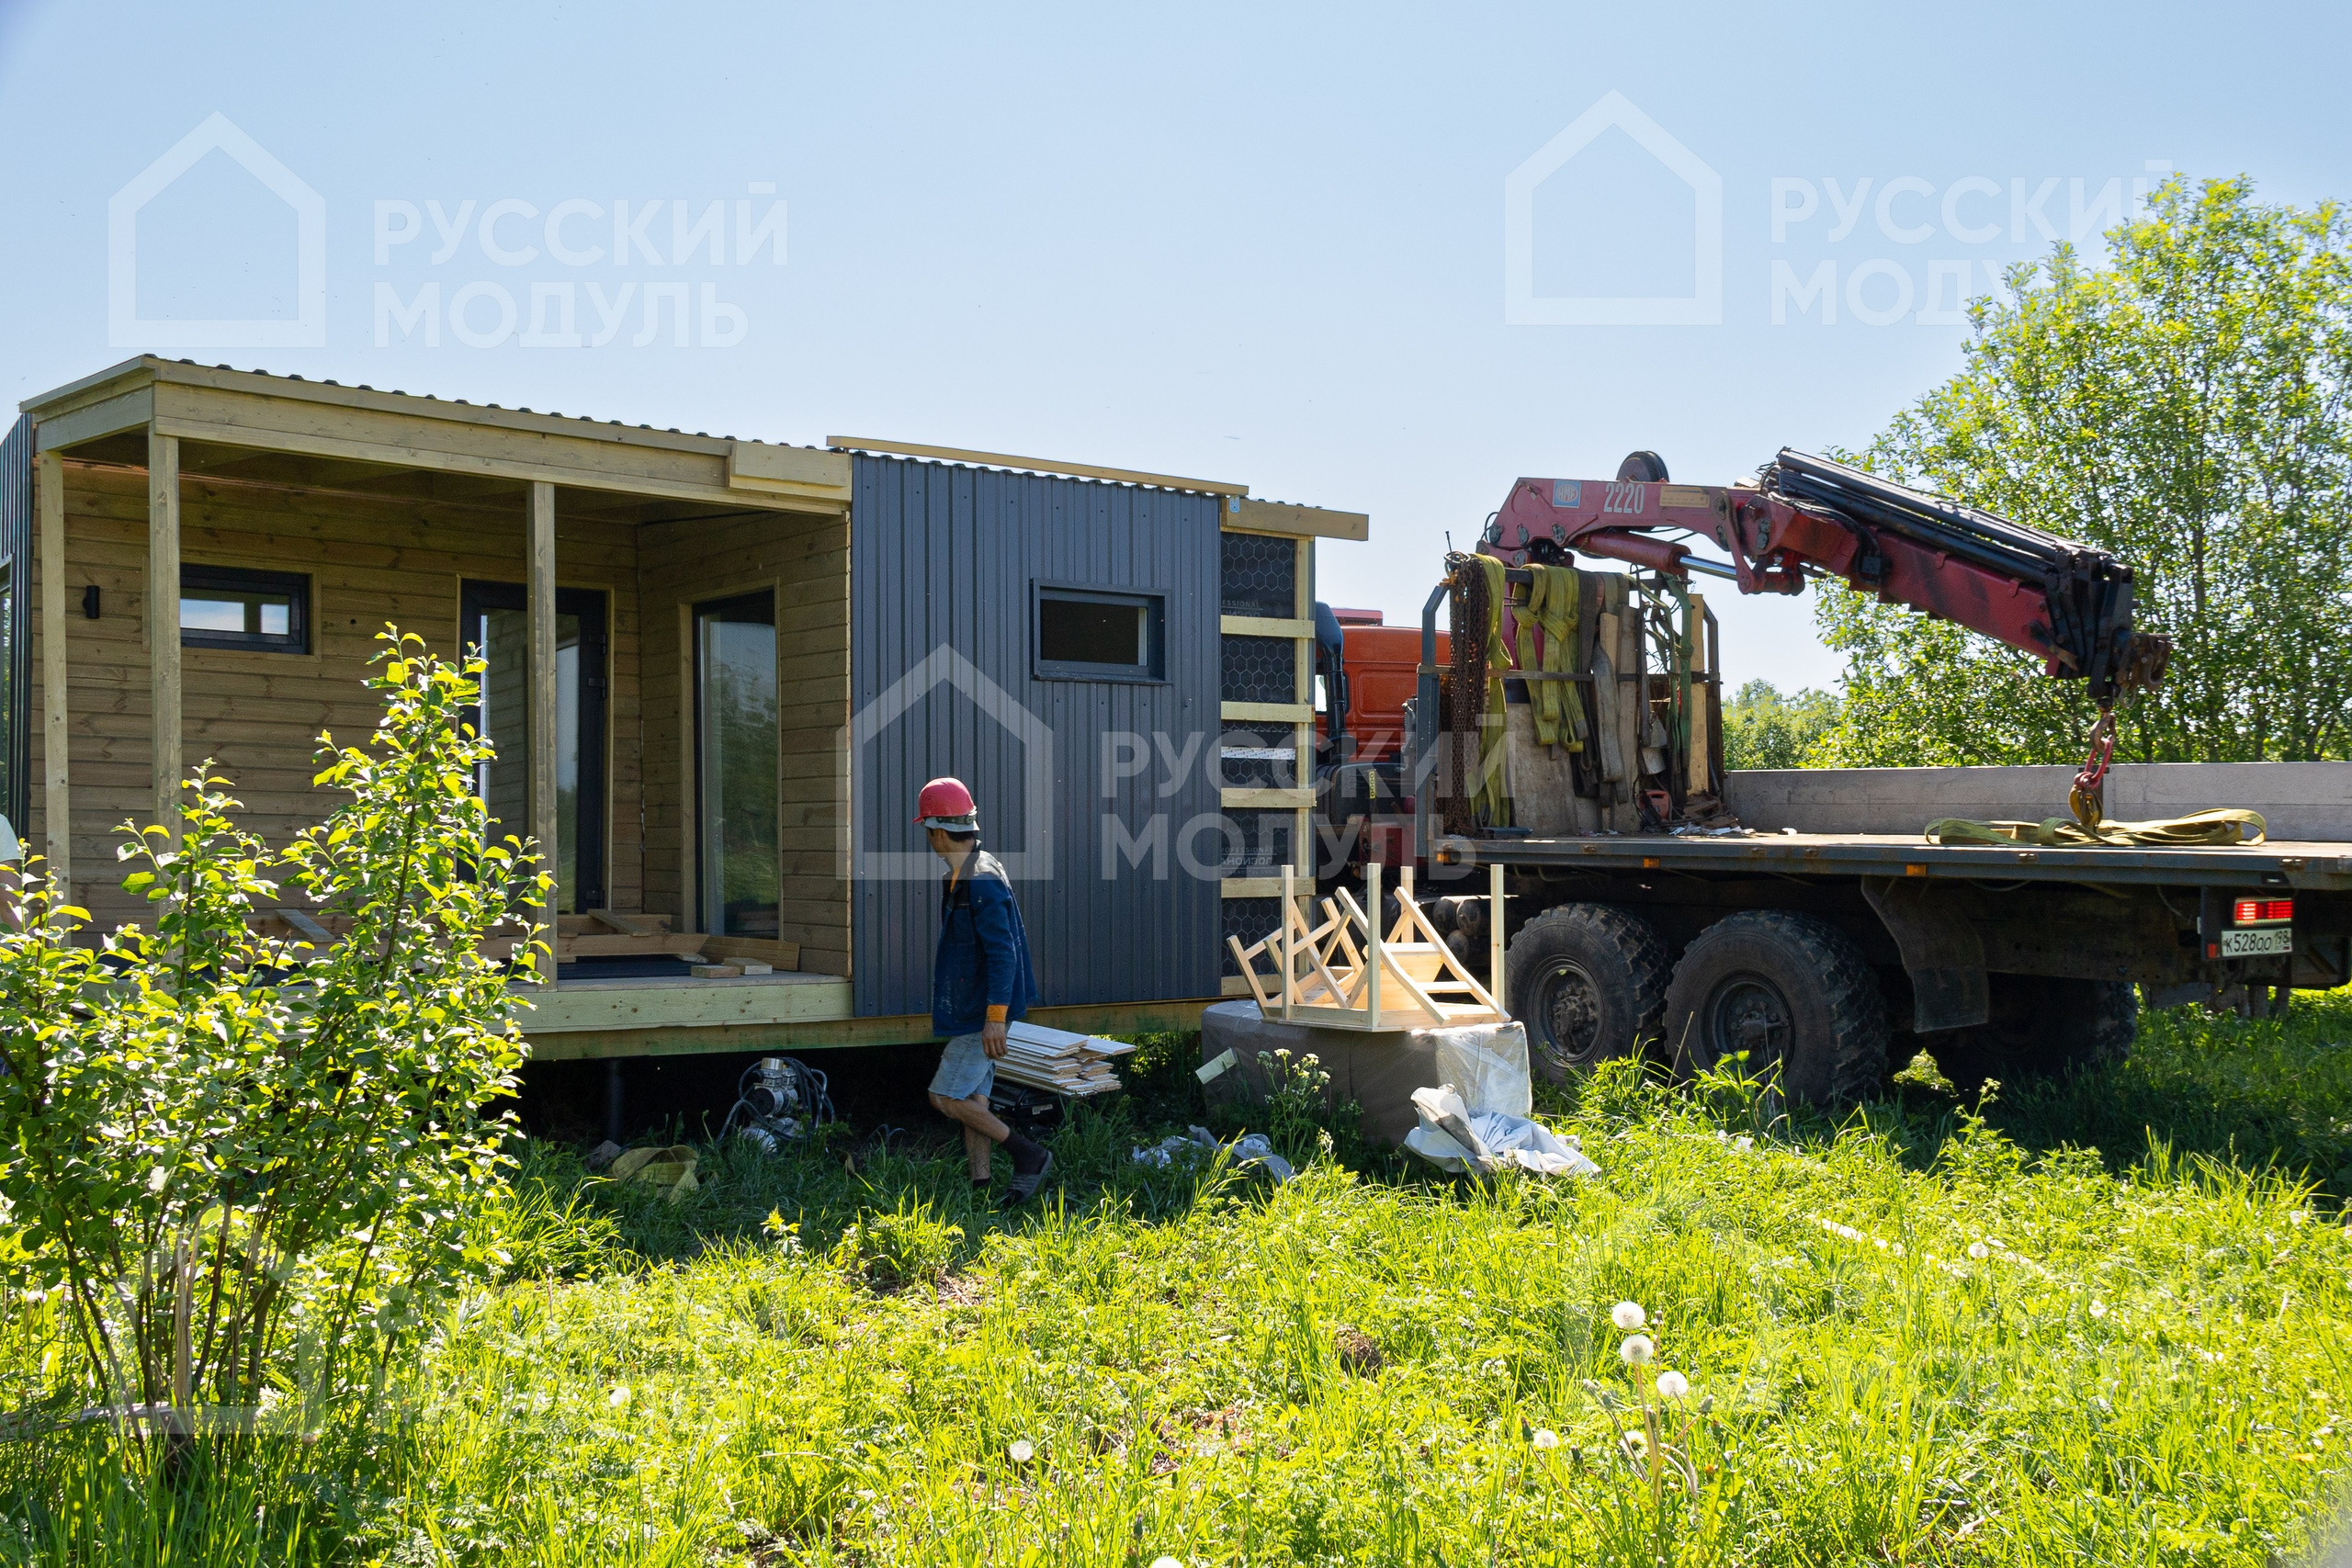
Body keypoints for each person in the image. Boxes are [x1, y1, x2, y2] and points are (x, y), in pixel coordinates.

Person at [916, 777, 1051, 1201]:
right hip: (975, 1006)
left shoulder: (981, 878)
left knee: (945, 1096)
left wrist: (995, 1019)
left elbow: (1002, 953)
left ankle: (1029, 1155)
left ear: (938, 831)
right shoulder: (964, 873)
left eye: (927, 832)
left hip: (983, 1012)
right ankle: (981, 1186)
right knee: (974, 1097)